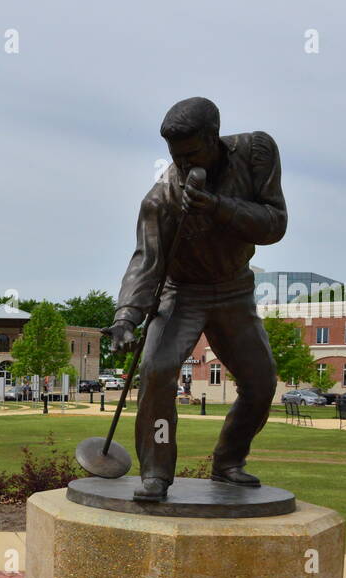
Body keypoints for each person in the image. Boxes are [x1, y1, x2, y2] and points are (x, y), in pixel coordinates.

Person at [107, 96, 285, 501]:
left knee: (261, 383)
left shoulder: (257, 153)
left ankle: (229, 462)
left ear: (213, 137)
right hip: (181, 293)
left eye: (191, 154)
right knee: (155, 373)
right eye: (176, 157)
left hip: (235, 290)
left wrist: (219, 208)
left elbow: (274, 224)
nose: (184, 166)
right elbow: (146, 261)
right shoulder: (160, 201)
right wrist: (126, 318)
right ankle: (155, 472)